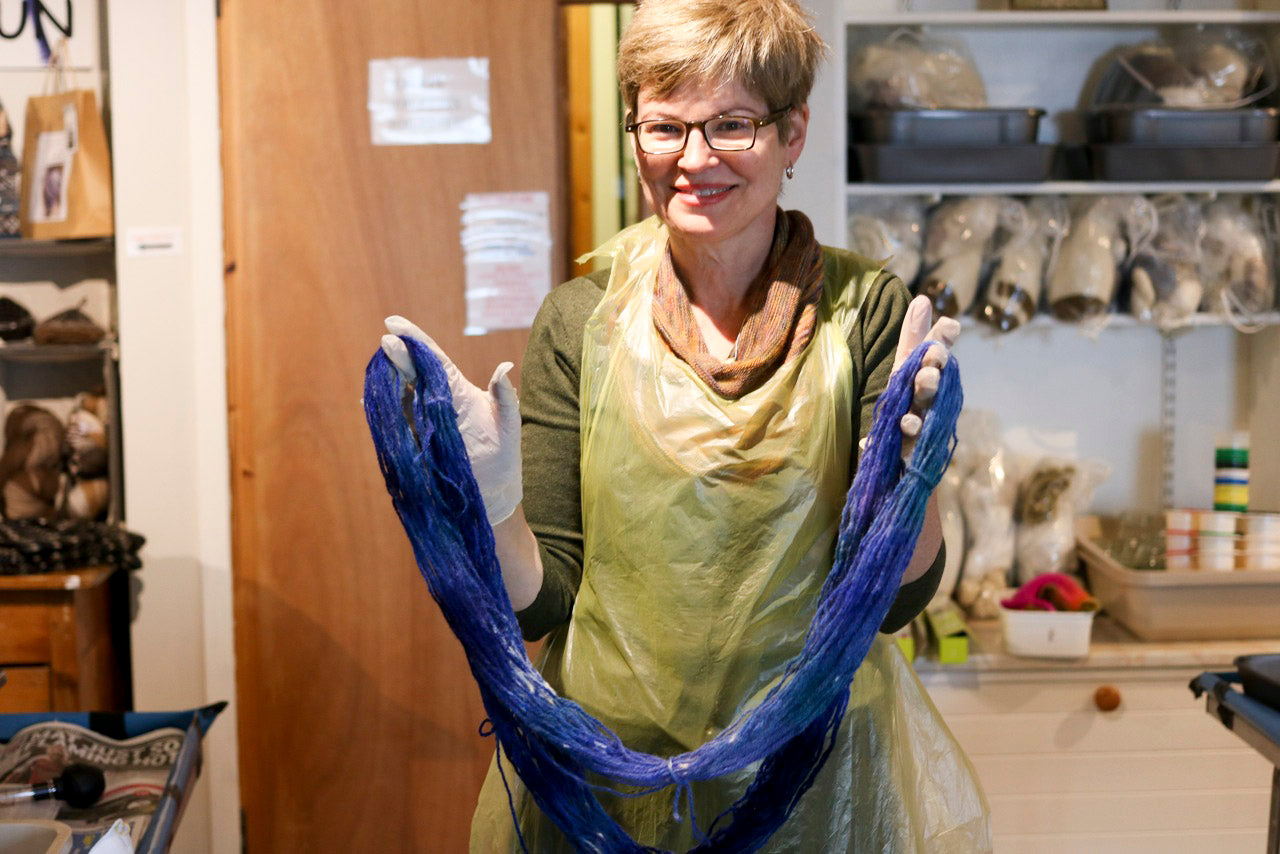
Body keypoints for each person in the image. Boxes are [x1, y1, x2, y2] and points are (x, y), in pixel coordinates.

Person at [382, 0, 990, 849]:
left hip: (814, 780)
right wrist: (493, 509)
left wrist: (915, 481)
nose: (694, 160)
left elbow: (896, 602)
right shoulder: (581, 320)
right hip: (607, 781)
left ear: (794, 133)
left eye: (732, 125)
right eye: (664, 127)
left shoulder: (867, 314)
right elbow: (541, 602)